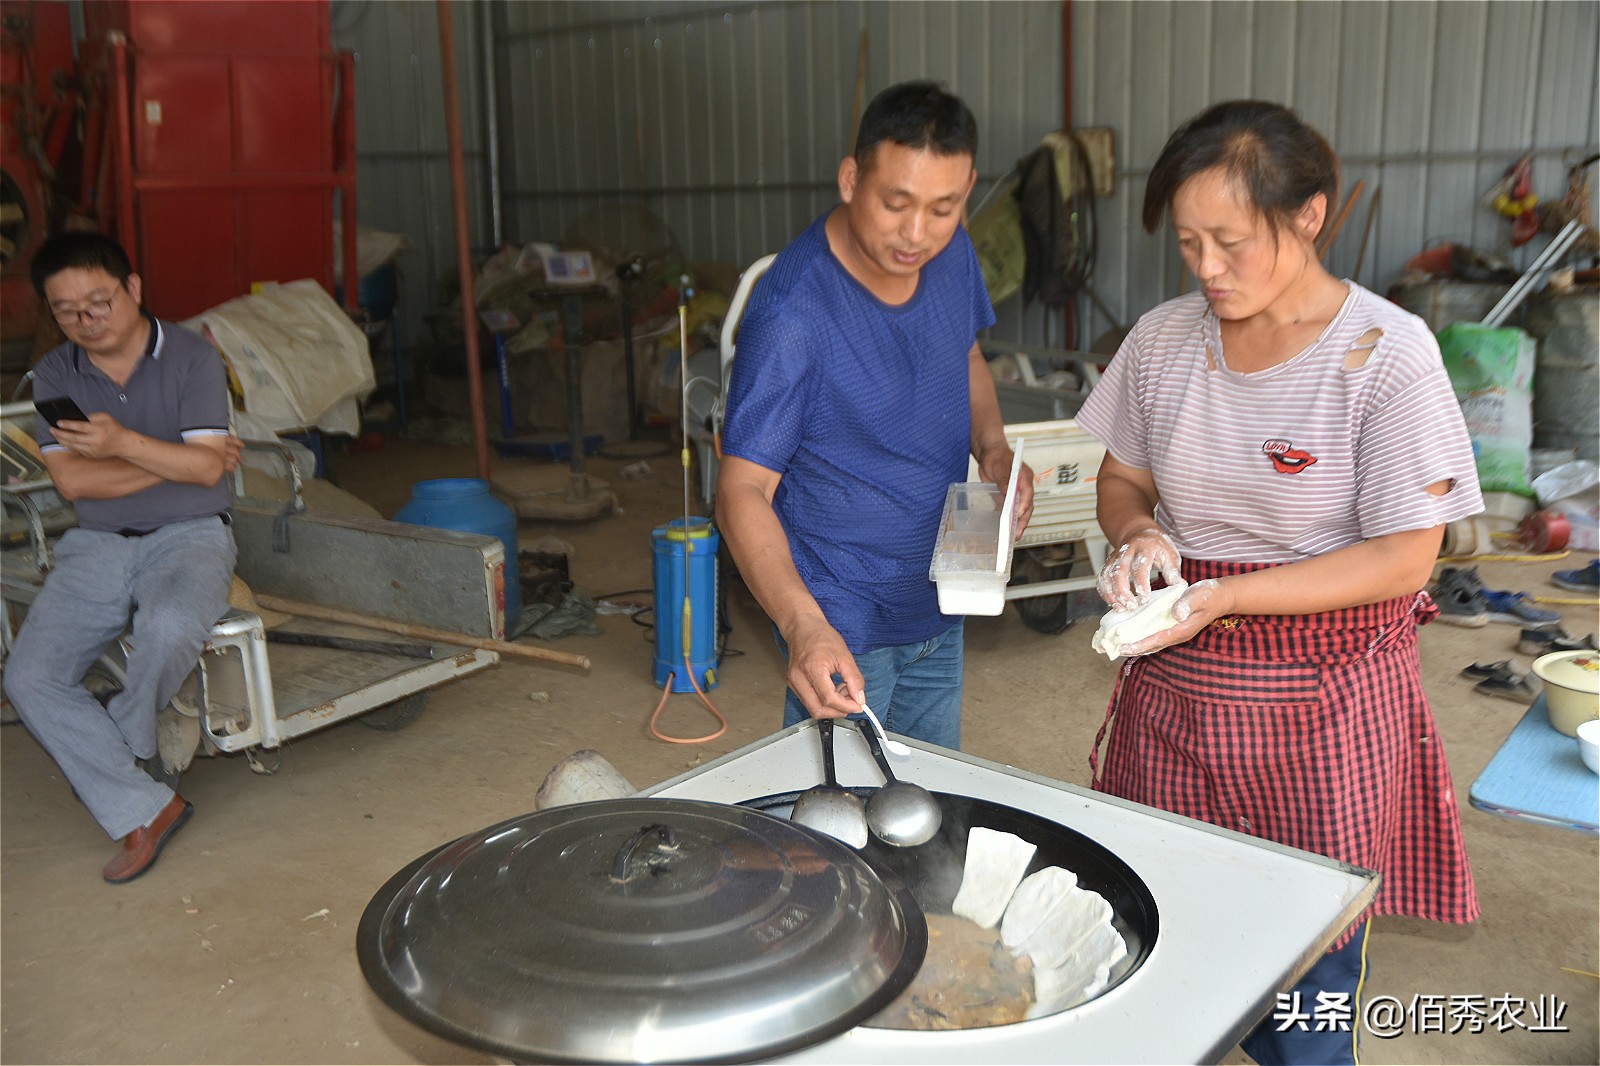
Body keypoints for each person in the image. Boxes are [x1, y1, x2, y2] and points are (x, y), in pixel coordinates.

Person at [1074, 100, 1482, 1065]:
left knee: (1304, 988)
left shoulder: (1385, 357)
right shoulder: (1164, 343)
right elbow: (1123, 478)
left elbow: (1403, 558)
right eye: (1187, 243)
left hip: (1323, 714)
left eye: (1230, 241)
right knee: (1166, 950)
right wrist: (1138, 536)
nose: (1207, 269)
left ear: (1309, 217)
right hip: (1175, 704)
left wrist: (1227, 596)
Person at [717, 80, 1032, 749]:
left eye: (943, 207)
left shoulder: (953, 255)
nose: (917, 233)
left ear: (968, 189)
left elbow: (966, 353)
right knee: (832, 829)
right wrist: (805, 628)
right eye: (896, 204)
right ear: (851, 177)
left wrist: (996, 449)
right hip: (845, 624)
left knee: (926, 814)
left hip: (943, 601)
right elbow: (743, 491)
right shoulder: (792, 314)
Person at [4, 232, 241, 884]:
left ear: (133, 290)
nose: (85, 320)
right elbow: (76, 486)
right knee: (28, 678)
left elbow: (196, 481)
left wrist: (119, 443)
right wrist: (188, 464)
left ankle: (126, 746)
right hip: (96, 542)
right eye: (66, 310)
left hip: (191, 534)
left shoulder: (192, 357)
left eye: (99, 301)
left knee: (167, 629)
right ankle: (147, 805)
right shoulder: (56, 374)